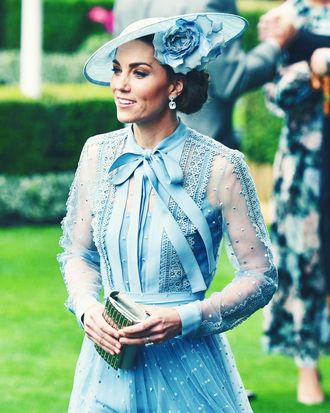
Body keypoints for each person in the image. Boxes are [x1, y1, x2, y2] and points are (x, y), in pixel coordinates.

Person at [58, 12, 278, 412]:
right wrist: (88, 309)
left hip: (190, 366)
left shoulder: (220, 166)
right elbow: (78, 254)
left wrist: (184, 318)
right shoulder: (96, 153)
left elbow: (260, 275)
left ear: (175, 84)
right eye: (117, 70)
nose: (120, 85)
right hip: (107, 365)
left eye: (138, 72)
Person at [260, 0, 330, 406]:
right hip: (306, 166)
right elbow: (273, 96)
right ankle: (307, 364)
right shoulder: (284, 18)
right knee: (305, 262)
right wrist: (311, 69)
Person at [113, 0, 295, 149]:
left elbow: (122, 63)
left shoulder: (125, 3)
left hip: (136, 146)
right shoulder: (211, 3)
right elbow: (231, 79)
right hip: (200, 147)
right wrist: (275, 45)